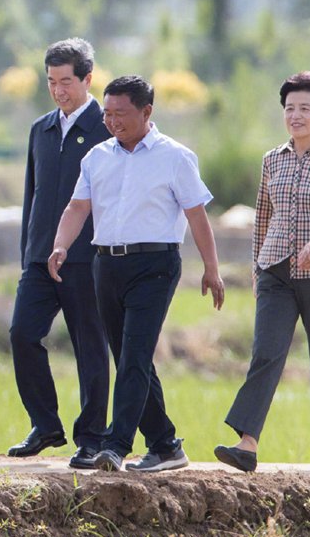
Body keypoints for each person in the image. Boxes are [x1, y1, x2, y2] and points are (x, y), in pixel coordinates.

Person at [49, 75, 225, 472]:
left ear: (147, 112)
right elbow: (78, 208)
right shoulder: (97, 157)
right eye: (107, 113)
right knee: (131, 358)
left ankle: (115, 445)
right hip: (106, 264)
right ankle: (165, 444)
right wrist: (61, 245)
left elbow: (197, 215)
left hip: (155, 266)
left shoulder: (175, 156)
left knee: (134, 357)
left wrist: (211, 268)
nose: (112, 121)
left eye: (121, 114)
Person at [215, 71, 310, 473]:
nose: (295, 115)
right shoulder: (272, 159)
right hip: (275, 271)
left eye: (304, 108)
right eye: (289, 108)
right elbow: (263, 217)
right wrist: (257, 268)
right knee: (266, 353)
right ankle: (247, 444)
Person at [6, 38, 111, 469]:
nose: (58, 90)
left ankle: (91, 437)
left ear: (88, 79)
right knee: (22, 333)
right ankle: (45, 423)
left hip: (87, 259)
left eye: (66, 81)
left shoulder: (108, 128)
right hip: (39, 258)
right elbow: (33, 195)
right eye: (51, 82)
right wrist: (30, 249)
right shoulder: (41, 129)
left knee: (90, 346)